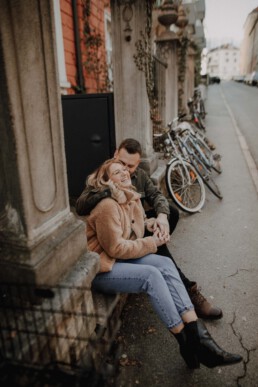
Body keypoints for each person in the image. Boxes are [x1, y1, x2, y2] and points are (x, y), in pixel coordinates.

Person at [85, 159, 242, 369]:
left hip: (121, 259)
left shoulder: (130, 196)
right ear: (106, 181)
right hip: (104, 268)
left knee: (165, 264)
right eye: (116, 172)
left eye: (124, 169)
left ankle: (199, 339)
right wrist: (153, 242)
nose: (124, 173)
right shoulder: (106, 206)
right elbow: (115, 249)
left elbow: (135, 229)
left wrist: (153, 224)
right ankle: (185, 342)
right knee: (151, 275)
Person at [76, 138, 223, 319]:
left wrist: (160, 218)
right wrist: (110, 190)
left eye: (130, 166)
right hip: (113, 237)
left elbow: (157, 196)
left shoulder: (140, 176)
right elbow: (81, 206)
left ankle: (177, 289)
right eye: (121, 163)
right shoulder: (104, 175)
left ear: (137, 164)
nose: (125, 170)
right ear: (115, 154)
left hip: (136, 230)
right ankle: (188, 291)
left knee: (171, 214)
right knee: (159, 248)